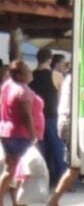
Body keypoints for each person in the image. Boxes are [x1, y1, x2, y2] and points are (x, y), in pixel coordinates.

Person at [0, 60, 45, 206]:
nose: (29, 71)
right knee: (23, 171)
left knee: (10, 171)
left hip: (7, 132)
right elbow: (26, 116)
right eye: (26, 69)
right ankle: (20, 203)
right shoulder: (22, 91)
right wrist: (33, 138)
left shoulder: (7, 85)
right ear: (19, 75)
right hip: (21, 135)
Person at [29, 48, 67, 187]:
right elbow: (60, 99)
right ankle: (62, 179)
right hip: (52, 116)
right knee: (58, 148)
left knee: (41, 148)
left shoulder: (31, 76)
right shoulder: (56, 75)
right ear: (50, 59)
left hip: (35, 116)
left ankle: (42, 179)